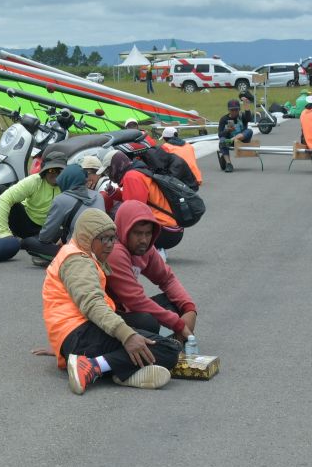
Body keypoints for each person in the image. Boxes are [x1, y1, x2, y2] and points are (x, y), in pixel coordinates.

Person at [41, 209, 181, 395]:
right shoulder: (77, 260)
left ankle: (117, 370)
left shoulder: (79, 252)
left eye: (112, 238)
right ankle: (92, 366)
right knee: (168, 351)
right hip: (80, 334)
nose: (109, 245)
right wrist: (128, 336)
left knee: (146, 322)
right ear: (87, 236)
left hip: (77, 332)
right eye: (103, 239)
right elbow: (92, 304)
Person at [106, 201, 199, 346]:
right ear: (124, 230)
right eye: (137, 233)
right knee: (147, 322)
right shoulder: (114, 252)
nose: (143, 240)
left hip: (128, 309)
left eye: (148, 233)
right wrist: (178, 324)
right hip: (108, 315)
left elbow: (167, 279)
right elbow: (136, 301)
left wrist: (189, 309)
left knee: (175, 303)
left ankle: (175, 342)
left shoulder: (145, 248)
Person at [22, 162, 107, 266]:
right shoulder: (98, 196)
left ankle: (58, 258)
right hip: (104, 248)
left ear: (66, 180)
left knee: (28, 243)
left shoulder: (61, 200)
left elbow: (45, 237)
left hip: (79, 252)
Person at [102, 152, 185, 251]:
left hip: (165, 230)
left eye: (108, 170)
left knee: (123, 233)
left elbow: (134, 211)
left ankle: (146, 258)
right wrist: (115, 193)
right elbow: (137, 200)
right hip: (171, 228)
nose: (108, 175)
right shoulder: (138, 172)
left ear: (116, 166)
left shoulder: (131, 177)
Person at [0, 155, 63, 241]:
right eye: (51, 170)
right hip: (25, 222)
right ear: (44, 171)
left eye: (59, 171)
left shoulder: (68, 184)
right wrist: (4, 234)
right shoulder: (35, 180)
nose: (55, 174)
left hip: (49, 229)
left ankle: (30, 244)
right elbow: (4, 199)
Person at [216, 98, 254, 173]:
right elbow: (220, 134)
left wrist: (247, 108)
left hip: (242, 140)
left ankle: (233, 139)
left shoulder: (242, 116)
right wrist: (227, 130)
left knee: (249, 131)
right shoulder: (224, 119)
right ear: (228, 110)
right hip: (229, 141)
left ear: (239, 109)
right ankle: (228, 164)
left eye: (236, 110)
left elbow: (249, 119)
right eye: (232, 110)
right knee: (222, 141)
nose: (234, 112)